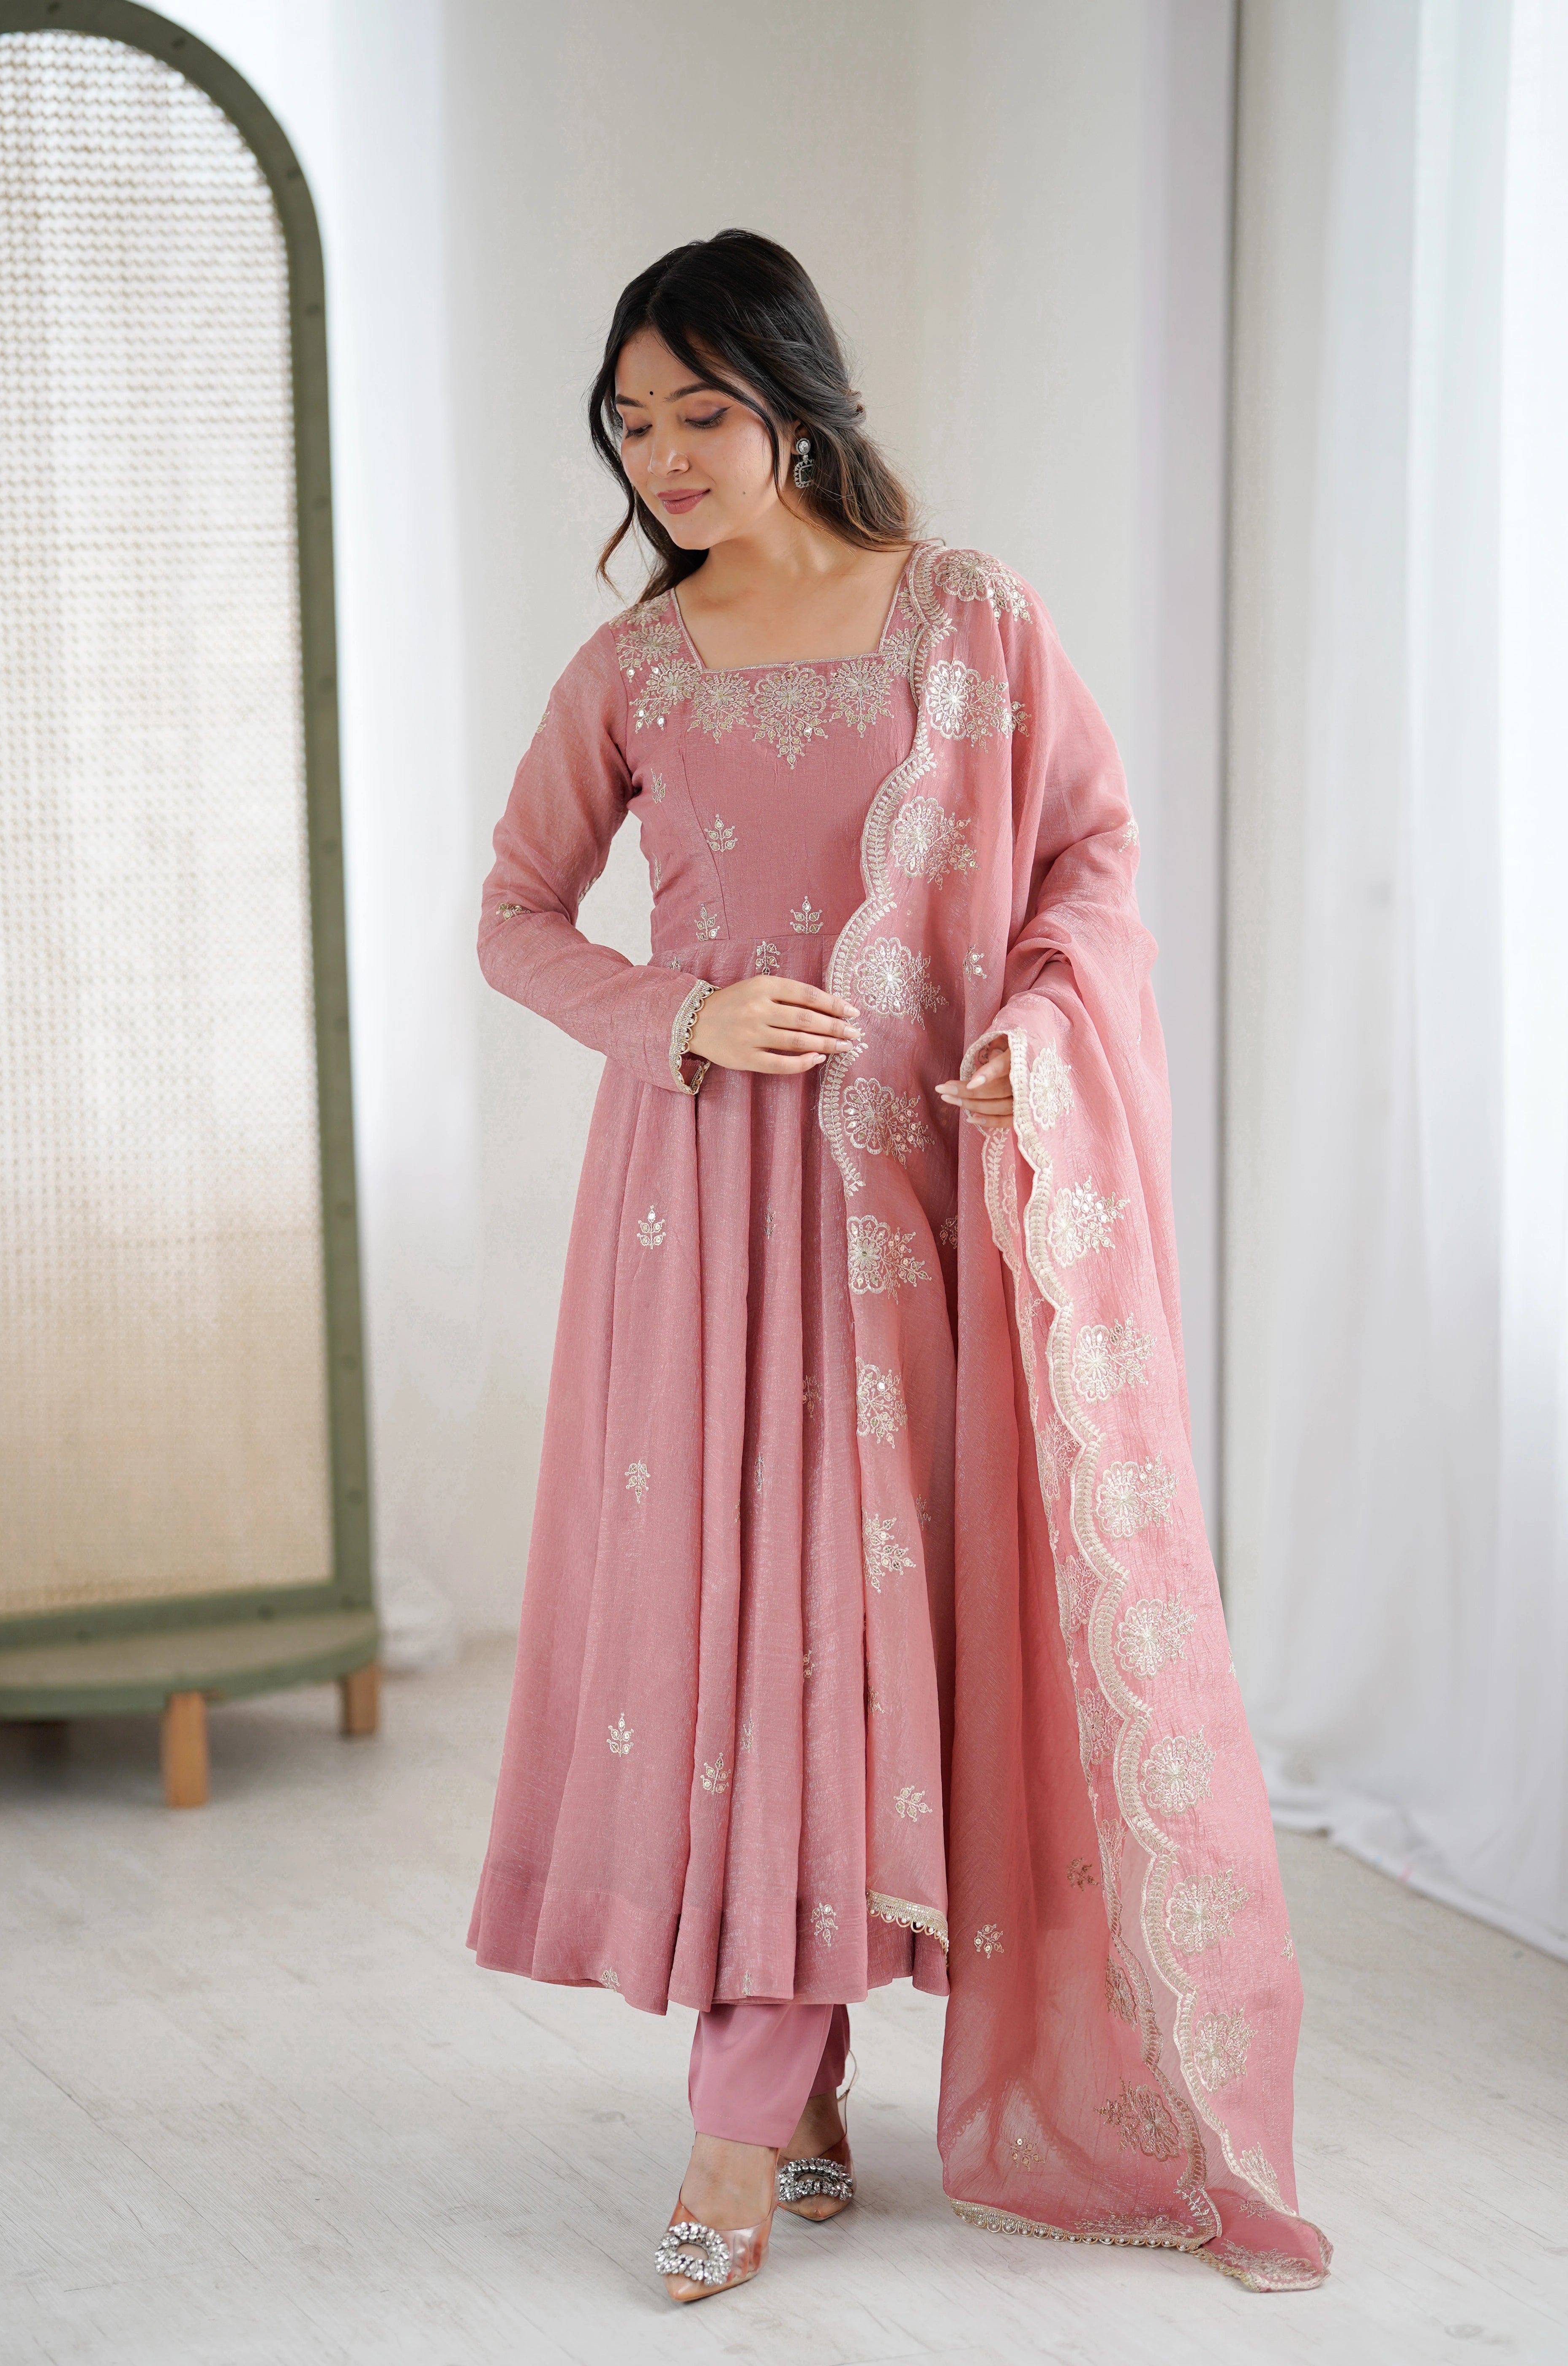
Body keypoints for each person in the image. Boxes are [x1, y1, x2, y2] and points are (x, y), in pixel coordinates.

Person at [469, 229, 1328, 2303]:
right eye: (630, 417)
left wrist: (1035, 1037)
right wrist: (681, 1010)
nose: (664, 452)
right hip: (698, 1235)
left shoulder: (972, 626)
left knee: (892, 1641)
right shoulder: (634, 671)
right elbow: (514, 917)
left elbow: (1092, 867)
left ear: (795, 397)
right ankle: (748, 2101)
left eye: (702, 407)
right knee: (745, 1649)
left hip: (919, 1228)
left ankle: (801, 2060)